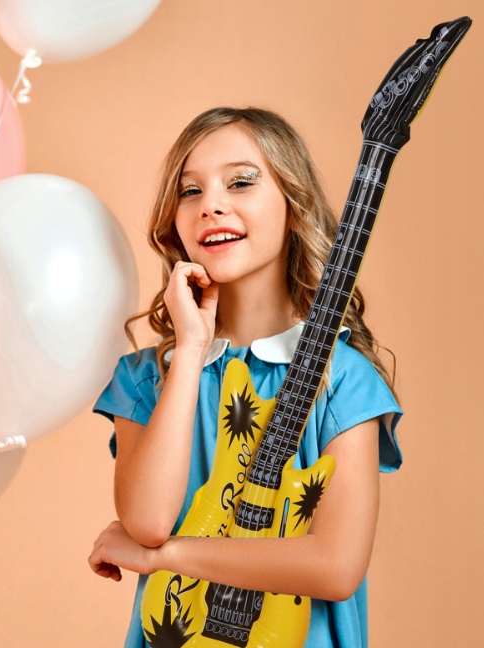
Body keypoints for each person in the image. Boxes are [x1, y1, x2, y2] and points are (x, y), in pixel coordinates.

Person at [88, 107, 402, 648]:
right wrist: (190, 351)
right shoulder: (145, 381)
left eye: (241, 182)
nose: (210, 204)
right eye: (190, 191)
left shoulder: (345, 381)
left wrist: (164, 558)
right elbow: (147, 521)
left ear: (294, 208)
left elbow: (334, 566)